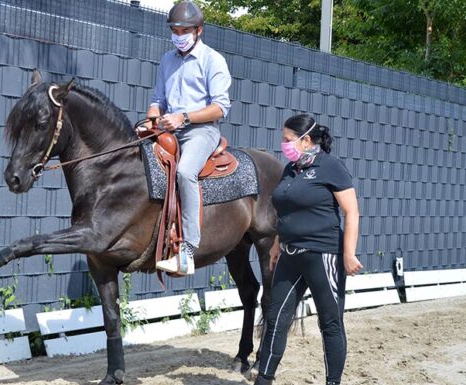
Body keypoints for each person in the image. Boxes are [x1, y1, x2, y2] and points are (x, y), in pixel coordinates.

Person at [255, 114, 364, 385]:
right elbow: (286, 211)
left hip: (323, 253)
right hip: (289, 255)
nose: (283, 144)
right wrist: (276, 246)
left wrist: (349, 253)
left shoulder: (330, 167)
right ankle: (264, 379)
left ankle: (333, 382)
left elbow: (351, 212)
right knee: (275, 318)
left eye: (287, 139)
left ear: (306, 140)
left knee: (330, 322)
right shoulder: (291, 169)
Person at [148, 1, 232, 275]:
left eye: (185, 30)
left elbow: (221, 107)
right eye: (175, 29)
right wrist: (150, 120)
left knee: (185, 173)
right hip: (168, 129)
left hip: (201, 131)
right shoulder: (166, 59)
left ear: (199, 31)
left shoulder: (213, 60)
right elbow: (158, 100)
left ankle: (187, 252)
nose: (179, 34)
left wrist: (182, 117)